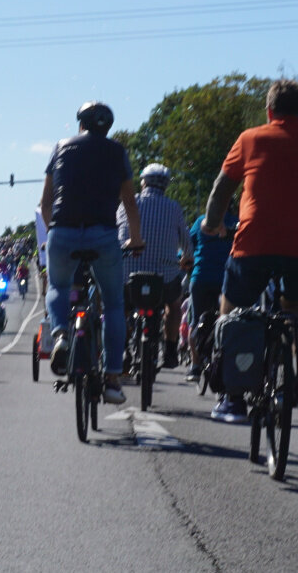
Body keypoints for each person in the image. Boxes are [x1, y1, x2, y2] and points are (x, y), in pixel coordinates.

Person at [202, 79, 298, 419]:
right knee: (296, 303)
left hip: (255, 243)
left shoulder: (250, 138)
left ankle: (233, 396)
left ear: (269, 111)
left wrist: (211, 224)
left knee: (233, 308)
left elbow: (222, 188)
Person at [41, 101, 144, 406]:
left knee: (59, 285)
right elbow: (129, 203)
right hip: (103, 233)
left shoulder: (60, 148)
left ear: (80, 124)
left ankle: (60, 334)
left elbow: (45, 203)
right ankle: (112, 379)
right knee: (113, 303)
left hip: (63, 230)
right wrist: (136, 240)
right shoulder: (117, 151)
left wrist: (53, 234)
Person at [117, 163, 192, 370]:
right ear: (165, 185)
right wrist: (187, 258)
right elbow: (186, 241)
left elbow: (118, 234)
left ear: (143, 182)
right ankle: (170, 350)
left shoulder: (127, 205)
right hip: (164, 278)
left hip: (129, 275)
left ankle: (122, 349)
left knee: (120, 307)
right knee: (174, 305)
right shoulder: (174, 207)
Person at [185, 207, 237, 384]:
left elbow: (188, 244)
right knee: (227, 320)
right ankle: (226, 361)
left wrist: (182, 259)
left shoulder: (201, 221)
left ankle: (195, 365)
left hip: (201, 277)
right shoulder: (235, 222)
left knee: (195, 321)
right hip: (225, 279)